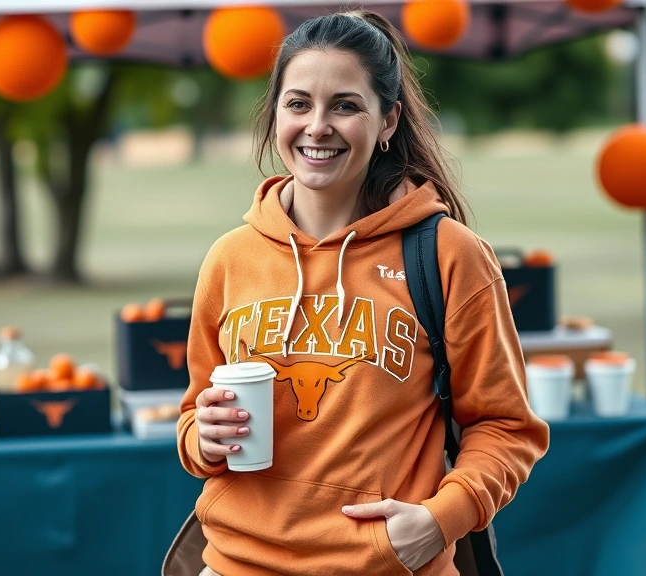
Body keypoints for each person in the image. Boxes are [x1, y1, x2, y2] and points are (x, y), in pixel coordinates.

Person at [177, 10, 549, 576]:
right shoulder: (230, 259)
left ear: (387, 121)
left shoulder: (449, 255)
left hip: (386, 566)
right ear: (275, 113)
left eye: (345, 106)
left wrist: (442, 517)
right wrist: (202, 439)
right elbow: (193, 418)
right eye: (298, 103)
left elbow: (507, 426)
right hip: (236, 564)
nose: (317, 126)